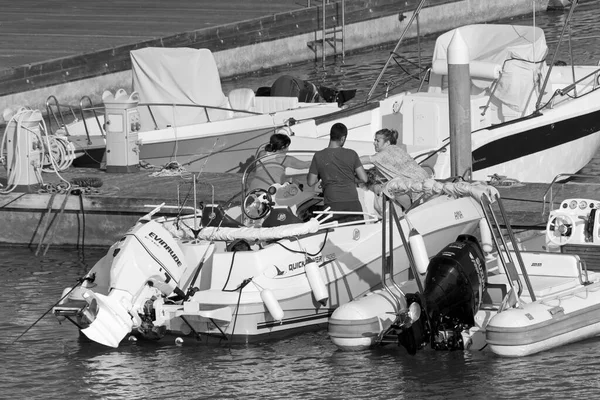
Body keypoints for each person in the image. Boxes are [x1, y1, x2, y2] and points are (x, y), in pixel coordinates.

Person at [307, 122, 368, 221]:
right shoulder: (352, 154)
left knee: (335, 235)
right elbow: (364, 178)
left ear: (331, 136)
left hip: (332, 204)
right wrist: (352, 179)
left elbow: (310, 182)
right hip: (352, 203)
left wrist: (321, 175)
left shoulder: (318, 156)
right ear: (343, 138)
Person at [359, 128, 430, 210]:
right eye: (374, 140)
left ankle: (410, 210)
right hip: (426, 180)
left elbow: (364, 160)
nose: (374, 143)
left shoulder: (383, 154)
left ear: (387, 142)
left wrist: (347, 160)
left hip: (415, 185)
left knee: (389, 187)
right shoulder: (397, 149)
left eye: (377, 141)